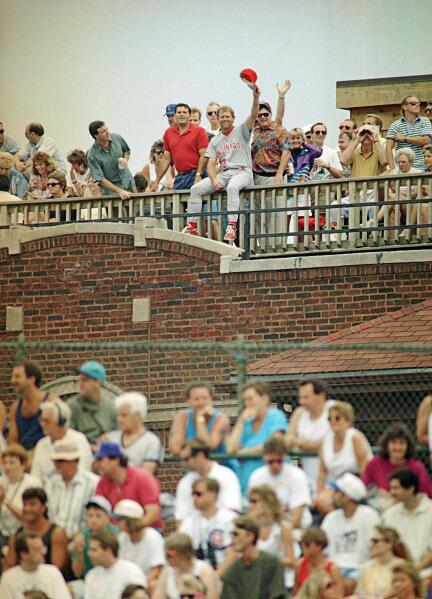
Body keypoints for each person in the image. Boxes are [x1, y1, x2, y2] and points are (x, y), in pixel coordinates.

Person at [185, 83, 260, 241]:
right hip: (225, 174)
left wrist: (256, 97)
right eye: (222, 116)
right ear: (217, 119)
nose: (225, 119)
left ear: (233, 118)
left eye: (228, 116)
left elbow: (253, 115)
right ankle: (191, 226)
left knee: (232, 187)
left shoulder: (241, 130)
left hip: (243, 172)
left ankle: (232, 226)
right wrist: (213, 180)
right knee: (196, 189)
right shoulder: (216, 139)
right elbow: (210, 163)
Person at [320, 473, 380, 594]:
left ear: (346, 496)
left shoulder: (369, 515)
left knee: (346, 586)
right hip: (333, 568)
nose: (333, 495)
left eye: (337, 492)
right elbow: (323, 549)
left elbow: (376, 548)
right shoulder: (331, 517)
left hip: (360, 568)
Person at [227, 381, 287, 494]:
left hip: (271, 484)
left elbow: (275, 444)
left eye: (250, 399)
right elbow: (230, 449)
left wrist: (245, 452)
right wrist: (240, 422)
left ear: (264, 398)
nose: (247, 403)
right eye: (245, 400)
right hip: (246, 484)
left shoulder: (275, 416)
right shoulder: (246, 422)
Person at [316, 401, 372, 512]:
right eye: (329, 419)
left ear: (348, 421)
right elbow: (322, 472)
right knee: (322, 502)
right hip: (338, 483)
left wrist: (359, 494)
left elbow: (365, 469)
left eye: (337, 418)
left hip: (357, 480)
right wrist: (319, 494)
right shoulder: (325, 440)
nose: (332, 422)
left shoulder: (355, 437)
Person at [247, 436, 312, 529]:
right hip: (265, 528)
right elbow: (253, 512)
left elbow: (297, 517)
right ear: (264, 457)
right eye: (271, 462)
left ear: (284, 456)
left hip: (296, 528)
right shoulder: (256, 476)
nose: (275, 465)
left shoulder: (297, 476)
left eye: (279, 461)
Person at [362, 423, 432, 507]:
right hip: (381, 507)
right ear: (387, 445)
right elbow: (363, 487)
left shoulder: (417, 467)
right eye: (394, 443)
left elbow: (426, 494)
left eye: (402, 443)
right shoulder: (375, 463)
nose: (398, 447)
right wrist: (378, 493)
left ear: (407, 446)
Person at [95, 441, 162, 529]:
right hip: (116, 533)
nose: (97, 464)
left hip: (145, 531)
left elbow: (153, 514)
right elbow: (98, 514)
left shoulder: (142, 477)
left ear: (116, 460)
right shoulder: (103, 482)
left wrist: (130, 531)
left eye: (100, 460)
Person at [284, 379, 333, 495]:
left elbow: (330, 443)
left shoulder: (334, 410)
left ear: (321, 395)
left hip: (333, 480)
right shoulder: (299, 413)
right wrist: (311, 444)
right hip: (309, 480)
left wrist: (299, 443)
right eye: (301, 397)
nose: (302, 402)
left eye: (306, 398)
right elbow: (287, 441)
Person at [175, 439, 242, 523]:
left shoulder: (226, 475)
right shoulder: (185, 482)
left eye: (186, 459)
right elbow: (181, 516)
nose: (183, 463)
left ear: (200, 456)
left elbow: (233, 511)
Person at [220, 515, 286, 599]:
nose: (232, 539)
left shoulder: (272, 563)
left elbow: (277, 594)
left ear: (250, 536)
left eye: (236, 534)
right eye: (231, 534)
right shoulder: (232, 571)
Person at [4, 487, 68, 573]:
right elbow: (9, 566)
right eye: (25, 504)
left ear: (43, 508)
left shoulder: (56, 534)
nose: (27, 508)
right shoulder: (16, 536)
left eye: (32, 504)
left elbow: (57, 568)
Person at [31, 398, 93, 485]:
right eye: (41, 420)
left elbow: (82, 472)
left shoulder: (79, 439)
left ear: (60, 421)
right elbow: (35, 477)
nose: (42, 424)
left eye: (47, 421)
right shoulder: (41, 444)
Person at [247, 485, 297, 590]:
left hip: (281, 581)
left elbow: (291, 561)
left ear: (267, 504)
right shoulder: (250, 529)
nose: (250, 506)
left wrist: (265, 562)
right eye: (250, 501)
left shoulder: (283, 528)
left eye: (254, 502)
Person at [45, 439, 99, 537]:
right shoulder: (51, 482)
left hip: (79, 540)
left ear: (74, 461)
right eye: (55, 461)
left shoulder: (93, 483)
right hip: (53, 539)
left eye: (61, 461)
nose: (57, 465)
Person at [179, 477, 236, 569]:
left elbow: (233, 554)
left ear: (213, 494)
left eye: (198, 494)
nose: (194, 498)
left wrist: (215, 577)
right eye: (192, 494)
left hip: (227, 574)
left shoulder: (230, 519)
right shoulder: (188, 523)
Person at [153, 103, 209, 191]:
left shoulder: (200, 131)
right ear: (175, 116)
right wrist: (157, 181)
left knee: (197, 203)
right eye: (179, 112)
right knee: (176, 203)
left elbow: (204, 155)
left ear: (189, 116)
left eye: (184, 112)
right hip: (180, 177)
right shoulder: (168, 133)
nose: (182, 114)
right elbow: (166, 159)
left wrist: (198, 175)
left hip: (196, 174)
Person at [383, 469, 432, 568]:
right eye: (391, 488)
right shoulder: (389, 514)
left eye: (396, 488)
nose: (392, 492)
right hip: (398, 570)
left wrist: (415, 570)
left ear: (410, 489)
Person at [0, 532, 71, 599]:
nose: (43, 552)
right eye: (37, 549)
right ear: (24, 554)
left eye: (43, 548)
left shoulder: (53, 572)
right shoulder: (8, 578)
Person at [114, 499, 165, 591]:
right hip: (127, 585)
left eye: (119, 519)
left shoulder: (153, 537)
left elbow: (156, 571)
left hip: (146, 585)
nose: (116, 522)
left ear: (130, 520)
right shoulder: (121, 538)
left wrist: (138, 588)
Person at [106, 392, 163, 473]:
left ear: (137, 416)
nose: (119, 419)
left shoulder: (151, 442)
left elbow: (146, 474)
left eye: (124, 415)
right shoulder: (110, 438)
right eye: (118, 415)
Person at [169, 382, 230, 456]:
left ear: (211, 399)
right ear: (188, 401)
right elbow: (175, 448)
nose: (201, 402)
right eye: (196, 399)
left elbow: (209, 447)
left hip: (222, 466)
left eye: (205, 398)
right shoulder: (182, 417)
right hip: (194, 466)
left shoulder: (221, 418)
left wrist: (200, 420)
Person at [153, 532, 220, 599]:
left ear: (182, 554)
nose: (165, 558)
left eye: (169, 555)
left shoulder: (204, 570)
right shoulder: (167, 571)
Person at [67, 360, 117, 448]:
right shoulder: (71, 407)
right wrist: (91, 448)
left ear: (97, 382)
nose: (81, 384)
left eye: (85, 380)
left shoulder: (111, 407)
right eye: (80, 380)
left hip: (108, 456)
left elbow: (120, 436)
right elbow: (68, 440)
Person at [84, 529, 147, 599]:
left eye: (94, 550)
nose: (89, 554)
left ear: (108, 551)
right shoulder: (91, 576)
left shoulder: (131, 571)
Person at [9, 361, 55, 452]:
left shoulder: (51, 402)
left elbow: (55, 438)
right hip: (23, 459)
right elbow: (12, 442)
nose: (12, 381)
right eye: (12, 377)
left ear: (31, 379)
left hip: (47, 457)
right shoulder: (16, 407)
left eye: (17, 376)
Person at [356, 525, 411, 599]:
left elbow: (404, 592)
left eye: (375, 541)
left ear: (389, 544)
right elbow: (360, 594)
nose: (371, 545)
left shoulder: (403, 566)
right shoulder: (366, 567)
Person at [70, 494, 118, 579]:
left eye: (98, 516)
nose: (93, 520)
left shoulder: (117, 535)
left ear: (108, 518)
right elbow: (77, 573)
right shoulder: (82, 536)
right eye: (90, 515)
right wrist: (79, 551)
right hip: (89, 579)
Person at [0, 444, 41, 541]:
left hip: (23, 535)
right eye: (5, 463)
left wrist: (5, 500)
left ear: (23, 465)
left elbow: (30, 517)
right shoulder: (2, 481)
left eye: (12, 463)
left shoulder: (32, 484)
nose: (7, 467)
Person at [87, 120, 136, 199]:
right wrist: (119, 191)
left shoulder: (117, 138)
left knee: (135, 210)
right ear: (96, 136)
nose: (107, 133)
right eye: (103, 131)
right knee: (117, 211)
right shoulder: (92, 155)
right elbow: (100, 179)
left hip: (128, 181)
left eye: (107, 129)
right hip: (111, 191)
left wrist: (125, 159)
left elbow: (127, 151)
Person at [292, 527, 343, 596]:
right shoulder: (299, 565)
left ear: (319, 546)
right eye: (301, 544)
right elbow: (296, 593)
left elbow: (339, 595)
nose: (303, 547)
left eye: (307, 544)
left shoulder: (333, 569)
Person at [386, 95, 432, 171]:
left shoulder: (425, 121)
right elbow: (388, 148)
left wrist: (405, 138)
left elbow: (426, 140)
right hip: (403, 170)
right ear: (404, 107)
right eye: (413, 103)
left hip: (423, 168)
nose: (417, 105)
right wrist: (393, 169)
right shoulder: (395, 125)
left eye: (418, 104)